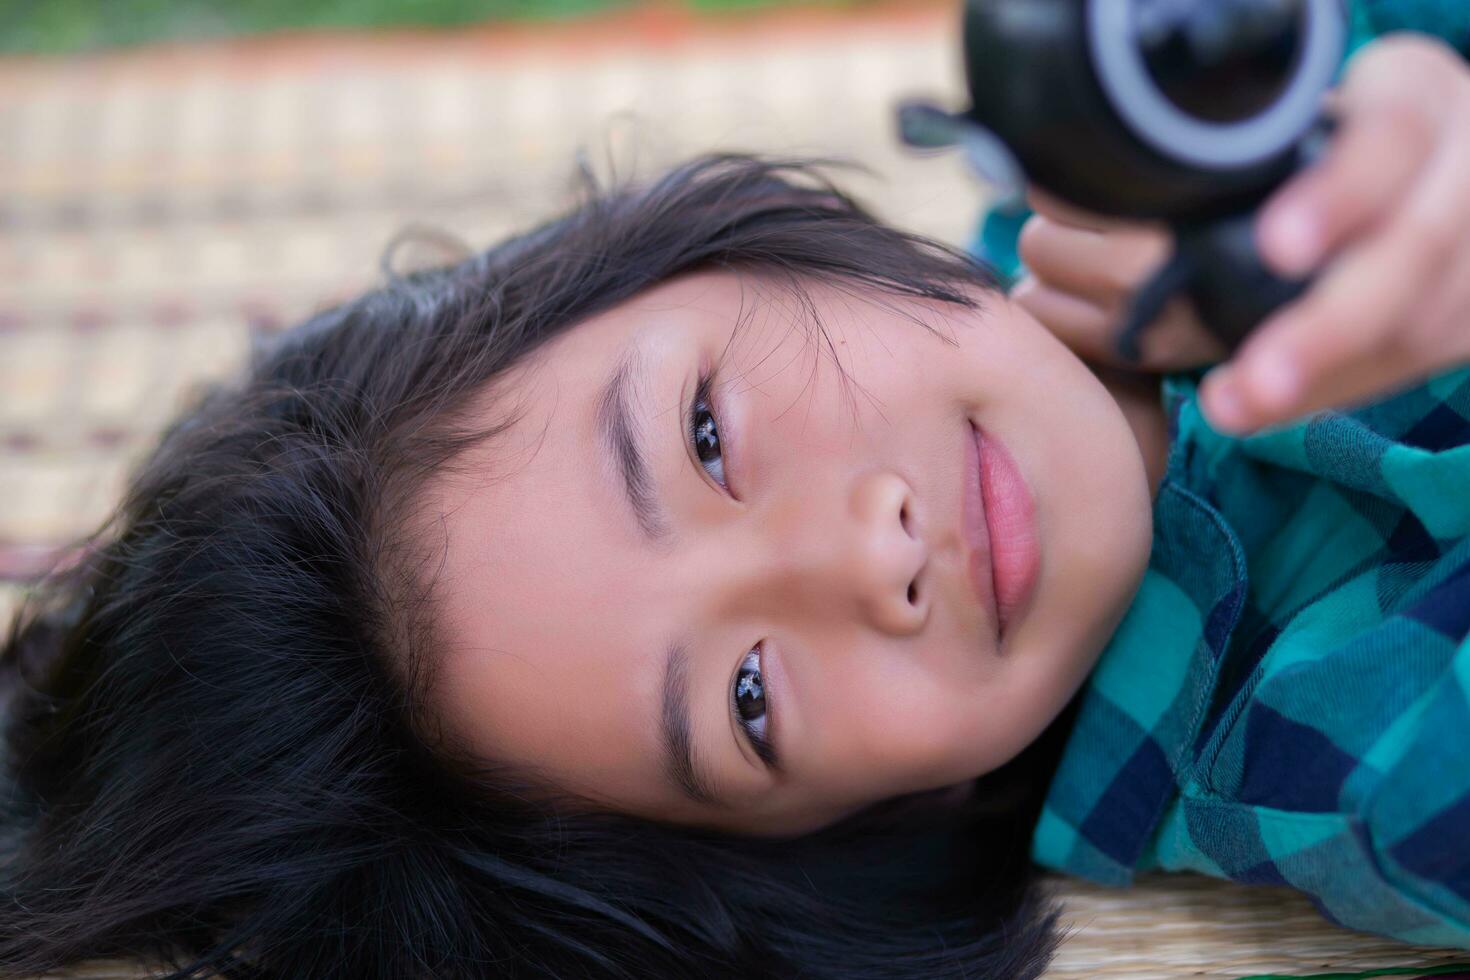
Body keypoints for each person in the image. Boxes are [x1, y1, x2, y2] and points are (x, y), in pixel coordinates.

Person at [2, 36, 1468, 980]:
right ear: (862, 839)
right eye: (751, 703)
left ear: (728, 251)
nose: (865, 553)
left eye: (703, 434)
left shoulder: (1142, 89)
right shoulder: (1348, 767)